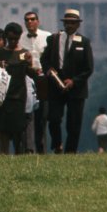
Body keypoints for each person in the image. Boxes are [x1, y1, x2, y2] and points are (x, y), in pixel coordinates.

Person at [41, 9, 94, 154]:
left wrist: (74, 81)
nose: (69, 25)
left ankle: (70, 152)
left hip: (76, 89)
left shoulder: (84, 42)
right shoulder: (53, 39)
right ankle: (57, 144)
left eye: (72, 23)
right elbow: (44, 60)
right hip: (56, 86)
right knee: (53, 119)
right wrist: (49, 71)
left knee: (74, 123)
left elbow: (88, 68)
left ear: (77, 25)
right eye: (67, 22)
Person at [0, 23, 35, 155]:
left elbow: (31, 74)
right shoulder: (0, 53)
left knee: (18, 128)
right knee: (2, 128)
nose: (13, 42)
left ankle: (19, 153)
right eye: (10, 39)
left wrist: (29, 65)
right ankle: (3, 153)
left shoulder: (24, 53)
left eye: (15, 39)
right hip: (2, 96)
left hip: (19, 95)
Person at [18, 11, 51, 154]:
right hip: (27, 78)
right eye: (27, 20)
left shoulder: (47, 36)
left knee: (42, 116)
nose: (30, 22)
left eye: (32, 19)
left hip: (42, 79)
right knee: (27, 115)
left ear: (38, 21)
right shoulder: (20, 39)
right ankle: (28, 148)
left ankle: (42, 147)